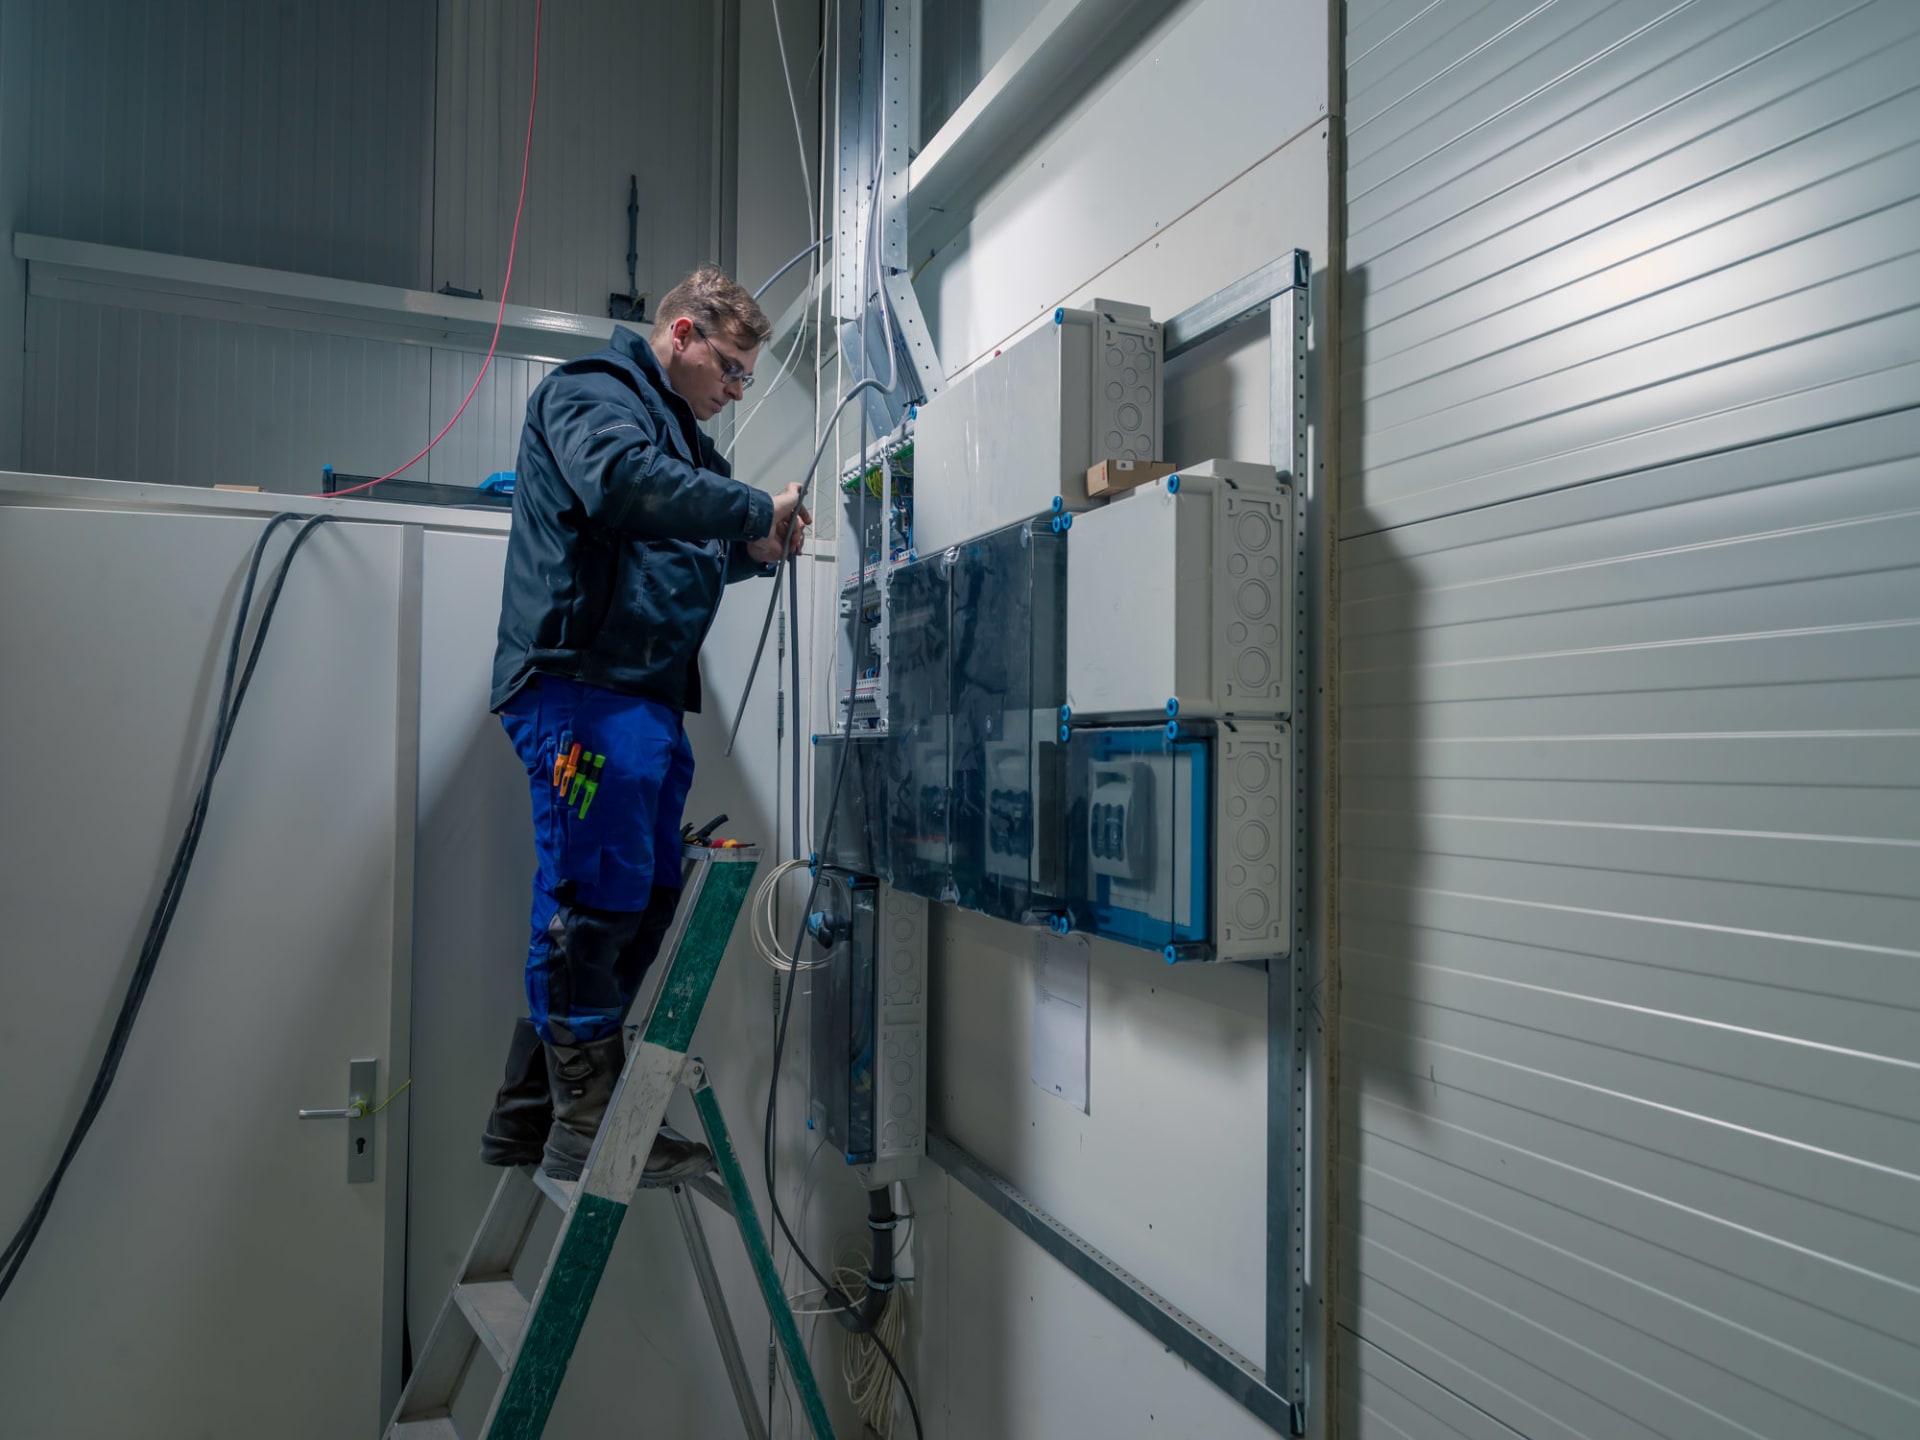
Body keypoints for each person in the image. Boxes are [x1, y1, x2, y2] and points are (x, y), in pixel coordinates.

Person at [480, 266, 808, 1183]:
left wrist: (754, 547)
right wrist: (753, 508)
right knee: (597, 892)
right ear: (682, 334)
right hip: (581, 689)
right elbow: (620, 485)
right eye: (731, 368)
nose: (735, 391)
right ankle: (586, 1125)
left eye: (745, 376)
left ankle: (535, 1112)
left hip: (644, 695)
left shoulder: (682, 441)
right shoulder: (593, 393)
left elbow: (686, 539)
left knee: (649, 892)